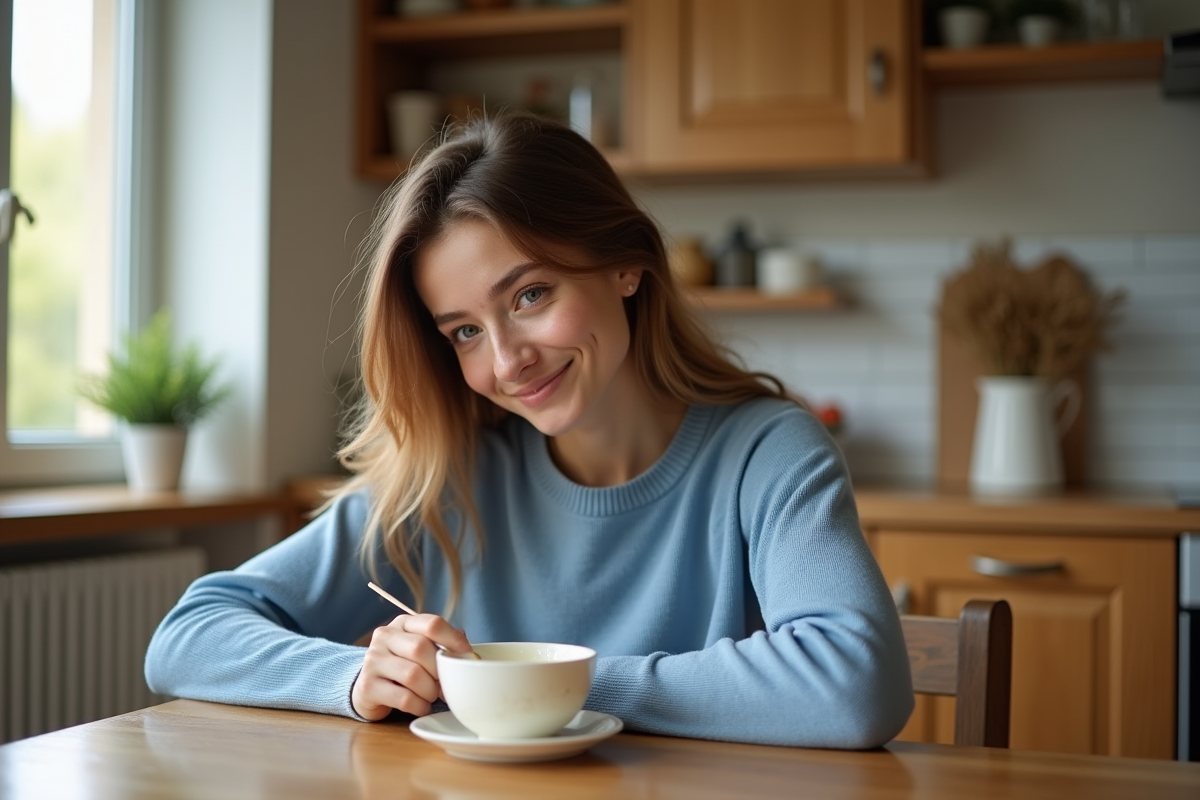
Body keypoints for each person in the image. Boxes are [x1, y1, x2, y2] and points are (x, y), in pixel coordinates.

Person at [145, 113, 913, 748]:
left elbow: (857, 687)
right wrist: (351, 678)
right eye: (465, 332)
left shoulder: (768, 452)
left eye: (531, 295)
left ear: (625, 263)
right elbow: (188, 635)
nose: (508, 360)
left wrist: (545, 686)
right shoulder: (447, 476)